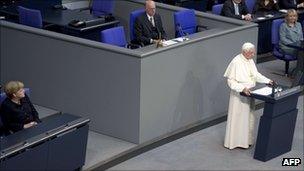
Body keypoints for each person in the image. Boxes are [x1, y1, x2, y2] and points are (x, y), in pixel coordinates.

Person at [223, 42, 273, 149]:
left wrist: (267, 80)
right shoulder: (236, 62)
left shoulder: (250, 60)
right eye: (251, 53)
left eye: (253, 53)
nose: (253, 55)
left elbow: (255, 75)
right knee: (239, 118)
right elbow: (230, 81)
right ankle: (235, 142)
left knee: (248, 117)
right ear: (245, 52)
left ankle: (246, 141)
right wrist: (242, 88)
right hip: (239, 95)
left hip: (250, 93)